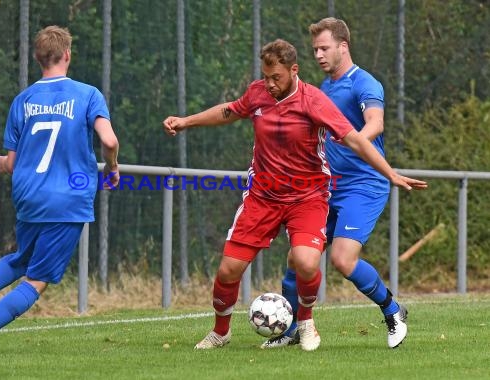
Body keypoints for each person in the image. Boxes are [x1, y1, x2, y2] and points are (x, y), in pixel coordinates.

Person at [162, 38, 426, 351]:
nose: (270, 84)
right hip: (262, 196)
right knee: (228, 270)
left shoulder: (313, 100)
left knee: (306, 261)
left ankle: (306, 323)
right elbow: (230, 111)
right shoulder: (257, 92)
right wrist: (185, 121)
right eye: (266, 76)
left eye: (277, 78)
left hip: (307, 197)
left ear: (294, 70)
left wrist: (390, 172)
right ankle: (221, 332)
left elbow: (355, 140)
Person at [0, 25, 119, 355]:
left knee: (21, 258)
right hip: (67, 198)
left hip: (28, 195)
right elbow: (109, 140)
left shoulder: (22, 100)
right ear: (67, 54)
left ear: (38, 59)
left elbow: (12, 162)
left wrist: (3, 164)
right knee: (36, 280)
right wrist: (112, 168)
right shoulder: (88, 94)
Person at [262, 17, 411, 350]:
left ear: (343, 46)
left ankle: (393, 311)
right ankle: (290, 330)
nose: (318, 54)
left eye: (324, 48)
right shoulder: (324, 88)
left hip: (364, 185)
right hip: (327, 187)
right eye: (315, 49)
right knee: (298, 259)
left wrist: (352, 139)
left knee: (343, 260)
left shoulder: (365, 83)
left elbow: (376, 122)